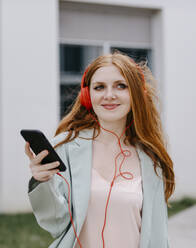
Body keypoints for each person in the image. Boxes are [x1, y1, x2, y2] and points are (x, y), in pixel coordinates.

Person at [24, 52, 175, 248]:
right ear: (88, 96)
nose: (109, 95)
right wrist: (42, 182)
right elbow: (55, 224)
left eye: (121, 86)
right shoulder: (66, 147)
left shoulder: (151, 159)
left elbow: (158, 236)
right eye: (99, 87)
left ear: (136, 94)